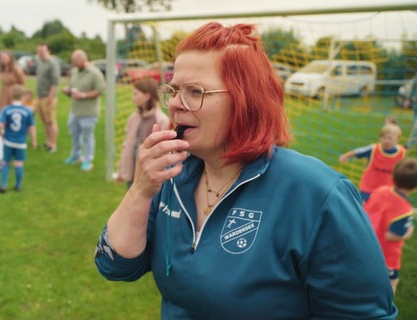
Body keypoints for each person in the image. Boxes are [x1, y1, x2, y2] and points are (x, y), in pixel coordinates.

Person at [94, 22, 397, 319]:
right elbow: (116, 266)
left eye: (194, 91)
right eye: (173, 90)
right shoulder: (173, 176)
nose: (175, 103)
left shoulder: (318, 194)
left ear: (246, 100)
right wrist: (141, 189)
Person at [364, 158, 416, 294]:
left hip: (366, 243)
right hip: (386, 257)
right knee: (391, 284)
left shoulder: (381, 190)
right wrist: (409, 231)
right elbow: (391, 236)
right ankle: (385, 310)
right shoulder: (405, 210)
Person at [116, 78, 170, 188]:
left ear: (147, 96)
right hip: (133, 171)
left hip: (150, 174)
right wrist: (122, 168)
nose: (132, 97)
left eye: (136, 94)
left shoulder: (161, 120)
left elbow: (164, 151)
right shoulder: (133, 118)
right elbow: (127, 145)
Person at [339, 123, 405, 202]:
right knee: (364, 211)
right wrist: (345, 156)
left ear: (397, 139)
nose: (386, 141)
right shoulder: (373, 149)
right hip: (368, 190)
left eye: (390, 138)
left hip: (388, 191)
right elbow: (358, 151)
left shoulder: (401, 153)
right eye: (383, 138)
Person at [62, 49, 105, 171]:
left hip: (88, 112)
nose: (74, 65)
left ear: (83, 60)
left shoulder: (95, 73)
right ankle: (75, 156)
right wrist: (68, 91)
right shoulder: (75, 71)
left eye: (75, 62)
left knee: (87, 136)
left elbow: (100, 90)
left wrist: (83, 95)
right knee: (74, 134)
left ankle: (87, 160)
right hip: (75, 110)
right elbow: (72, 87)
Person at [0, 85, 37, 193]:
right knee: (19, 163)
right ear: (24, 96)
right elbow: (31, 127)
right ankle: (18, 186)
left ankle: (3, 185)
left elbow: (0, 124)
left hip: (8, 141)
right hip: (21, 142)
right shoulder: (28, 111)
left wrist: (0, 133)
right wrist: (34, 140)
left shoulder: (6, 109)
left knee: (5, 162)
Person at [35, 43, 60, 153]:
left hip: (49, 96)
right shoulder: (40, 62)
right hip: (41, 96)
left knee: (51, 120)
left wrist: (51, 96)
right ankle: (48, 142)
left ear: (48, 51)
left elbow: (55, 81)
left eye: (43, 51)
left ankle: (53, 144)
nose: (40, 53)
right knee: (45, 120)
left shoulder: (52, 63)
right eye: (39, 51)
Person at [403, 75, 417, 148]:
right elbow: (412, 88)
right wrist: (408, 99)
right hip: (415, 103)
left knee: (416, 126)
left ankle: (409, 144)